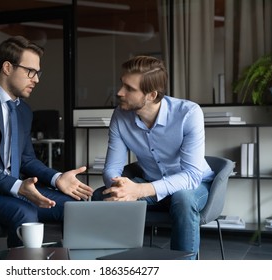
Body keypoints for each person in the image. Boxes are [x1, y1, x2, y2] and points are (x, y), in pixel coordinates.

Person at [0, 36, 93, 248]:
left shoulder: (23, 111)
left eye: (38, 73)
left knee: (75, 206)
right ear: (7, 67)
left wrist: (57, 178)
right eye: (30, 72)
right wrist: (18, 187)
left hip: (12, 189)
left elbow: (26, 159)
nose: (36, 79)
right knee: (24, 211)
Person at [92, 55, 215, 259]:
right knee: (102, 195)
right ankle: (117, 263)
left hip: (194, 186)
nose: (119, 92)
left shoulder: (188, 113)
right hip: (152, 183)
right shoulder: (120, 116)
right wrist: (120, 187)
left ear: (151, 95)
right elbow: (112, 167)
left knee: (182, 198)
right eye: (122, 84)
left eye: (129, 89)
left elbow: (192, 175)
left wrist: (139, 190)